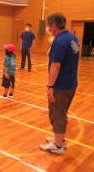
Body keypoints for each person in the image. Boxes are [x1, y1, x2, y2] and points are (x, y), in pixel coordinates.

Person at [39, 13, 80, 155]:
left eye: (49, 25)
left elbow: (55, 66)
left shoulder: (60, 41)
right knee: (61, 113)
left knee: (57, 114)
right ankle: (59, 140)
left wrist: (50, 86)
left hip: (60, 86)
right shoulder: (73, 38)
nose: (48, 28)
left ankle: (58, 146)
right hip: (71, 83)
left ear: (54, 25)